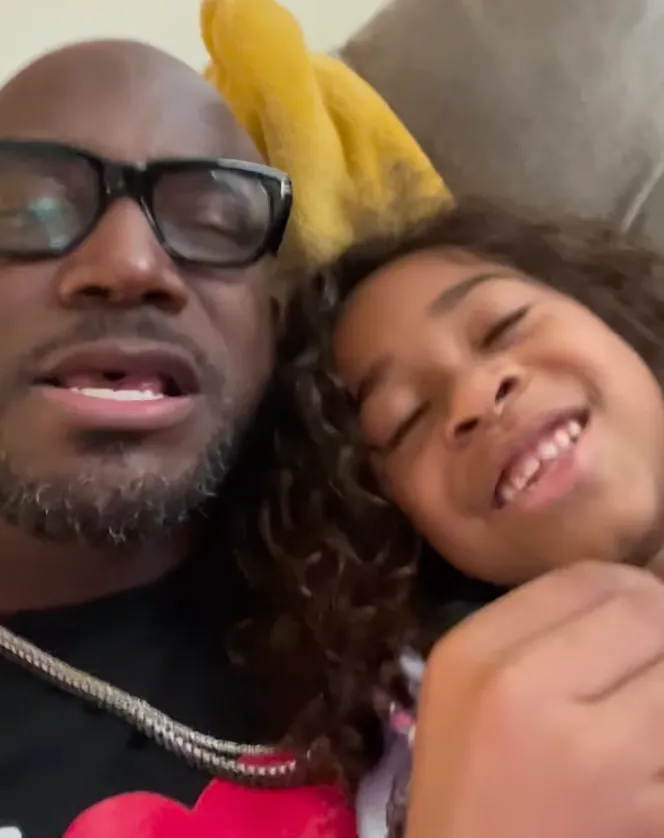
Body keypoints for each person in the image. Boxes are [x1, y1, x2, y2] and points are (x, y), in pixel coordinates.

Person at [1, 46, 663, 838]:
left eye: (213, 223)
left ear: (269, 330)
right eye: (31, 213)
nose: (131, 263)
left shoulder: (368, 564)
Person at [256, 198, 664, 836]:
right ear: (407, 539)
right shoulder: (469, 764)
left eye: (505, 328)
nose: (477, 394)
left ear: (619, 322)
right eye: (405, 421)